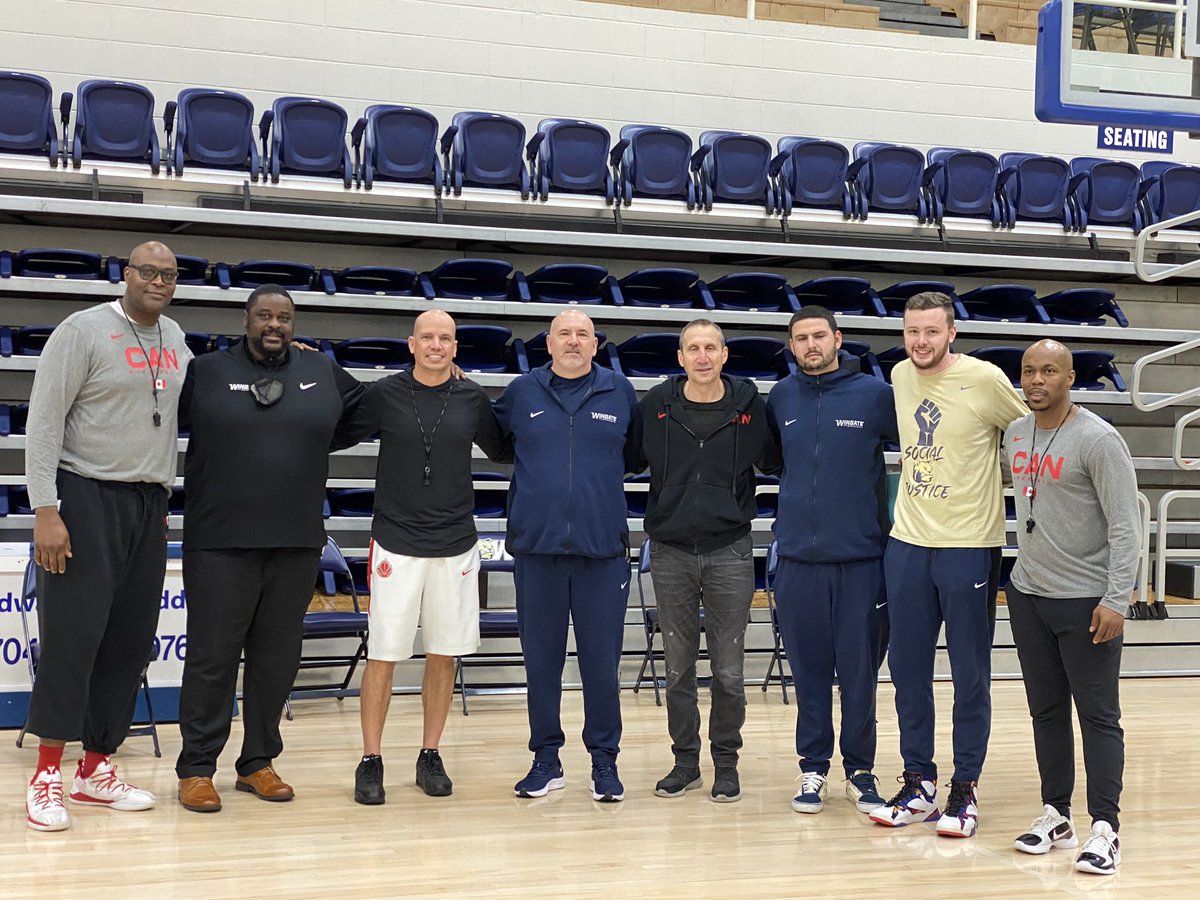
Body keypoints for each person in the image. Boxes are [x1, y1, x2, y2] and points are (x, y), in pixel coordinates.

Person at [174, 284, 367, 813]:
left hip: (296, 541)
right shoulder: (206, 371)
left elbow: (372, 410)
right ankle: (196, 768)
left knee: (275, 661)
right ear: (246, 320)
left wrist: (445, 378)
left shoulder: (322, 371)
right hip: (219, 542)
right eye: (264, 316)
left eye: (283, 317)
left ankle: (257, 761)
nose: (274, 325)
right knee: (212, 660)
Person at [22, 241, 193, 832]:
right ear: (126, 274)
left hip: (150, 503)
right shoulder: (83, 330)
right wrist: (46, 508)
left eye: (169, 275)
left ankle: (95, 768)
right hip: (84, 496)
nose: (159, 281)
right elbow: (43, 420)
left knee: (128, 642)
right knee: (74, 637)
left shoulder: (176, 339)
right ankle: (46, 774)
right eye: (148, 271)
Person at [869, 291, 1028, 838]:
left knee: (969, 675)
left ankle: (965, 788)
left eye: (931, 332)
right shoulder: (899, 376)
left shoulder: (984, 379)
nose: (920, 342)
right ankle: (919, 782)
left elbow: (1030, 431)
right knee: (908, 671)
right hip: (908, 542)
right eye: (912, 331)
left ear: (952, 332)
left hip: (968, 545)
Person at [350, 309, 508, 805]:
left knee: (443, 655)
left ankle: (430, 754)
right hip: (395, 542)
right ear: (412, 344)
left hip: (456, 544)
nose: (436, 345)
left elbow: (506, 448)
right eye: (428, 337)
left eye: (445, 338)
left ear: (455, 348)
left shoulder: (472, 398)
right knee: (383, 656)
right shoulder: (384, 394)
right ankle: (371, 759)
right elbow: (331, 428)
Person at [627, 319, 776, 804]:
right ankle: (685, 762)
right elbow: (626, 457)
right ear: (681, 357)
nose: (703, 356)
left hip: (729, 550)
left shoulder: (751, 407)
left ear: (724, 355)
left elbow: (777, 460)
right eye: (694, 348)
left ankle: (726, 764)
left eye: (711, 347)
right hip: (670, 552)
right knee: (678, 670)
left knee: (730, 672)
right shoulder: (654, 407)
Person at [494, 309, 639, 803]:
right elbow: (494, 443)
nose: (573, 341)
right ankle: (546, 759)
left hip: (602, 554)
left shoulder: (620, 392)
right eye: (564, 334)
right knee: (541, 663)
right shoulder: (521, 392)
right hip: (538, 552)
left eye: (583, 334)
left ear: (595, 344)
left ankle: (604, 762)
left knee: (602, 666)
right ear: (549, 343)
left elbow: (636, 456)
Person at [1006, 339, 1138, 875]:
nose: (1036, 380)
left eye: (1049, 372)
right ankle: (1055, 814)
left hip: (1087, 600)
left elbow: (1128, 526)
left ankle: (1105, 828)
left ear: (1070, 377)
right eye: (1029, 371)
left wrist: (1117, 598)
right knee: (1046, 712)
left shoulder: (1099, 440)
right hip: (1029, 592)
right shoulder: (1016, 431)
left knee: (1099, 717)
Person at [767, 306, 897, 815]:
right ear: (792, 346)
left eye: (819, 335)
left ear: (838, 339)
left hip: (863, 560)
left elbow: (923, 450)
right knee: (810, 673)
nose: (811, 345)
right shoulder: (781, 397)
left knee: (861, 673)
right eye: (801, 338)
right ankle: (813, 767)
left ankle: (860, 769)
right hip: (798, 562)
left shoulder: (874, 395)